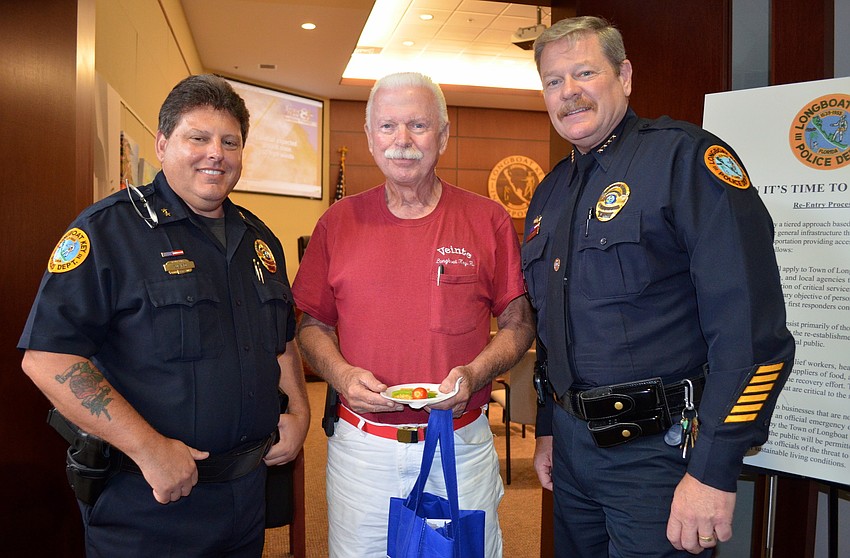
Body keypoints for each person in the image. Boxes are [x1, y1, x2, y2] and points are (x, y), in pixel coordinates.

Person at [523, 16, 795, 557]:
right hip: (573, 456)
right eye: (554, 81)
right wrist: (550, 426)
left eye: (584, 73)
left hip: (659, 458)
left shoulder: (686, 161)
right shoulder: (549, 194)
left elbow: (751, 333)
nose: (569, 92)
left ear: (623, 76)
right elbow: (554, 326)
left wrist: (713, 470)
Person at [18, 74, 309, 557]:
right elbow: (47, 356)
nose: (215, 153)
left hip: (244, 500)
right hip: (149, 502)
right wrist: (150, 449)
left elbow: (282, 338)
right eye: (198, 137)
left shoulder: (261, 241)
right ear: (163, 143)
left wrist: (299, 410)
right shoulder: (108, 232)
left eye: (229, 142)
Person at [292, 71, 535, 558]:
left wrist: (475, 372)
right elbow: (311, 325)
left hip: (459, 445)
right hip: (363, 449)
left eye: (419, 126)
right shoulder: (337, 223)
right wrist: (339, 373)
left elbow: (519, 323)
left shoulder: (487, 220)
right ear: (369, 137)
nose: (402, 141)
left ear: (442, 136)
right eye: (388, 127)